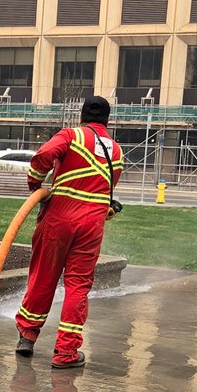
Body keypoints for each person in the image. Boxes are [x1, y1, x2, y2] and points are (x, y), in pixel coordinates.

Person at [15, 96, 124, 369]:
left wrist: (36, 185)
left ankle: (27, 337)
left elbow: (42, 156)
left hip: (58, 219)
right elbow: (104, 190)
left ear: (81, 117)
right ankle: (66, 353)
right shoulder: (117, 152)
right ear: (107, 121)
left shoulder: (71, 135)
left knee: (44, 275)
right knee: (78, 285)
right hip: (92, 226)